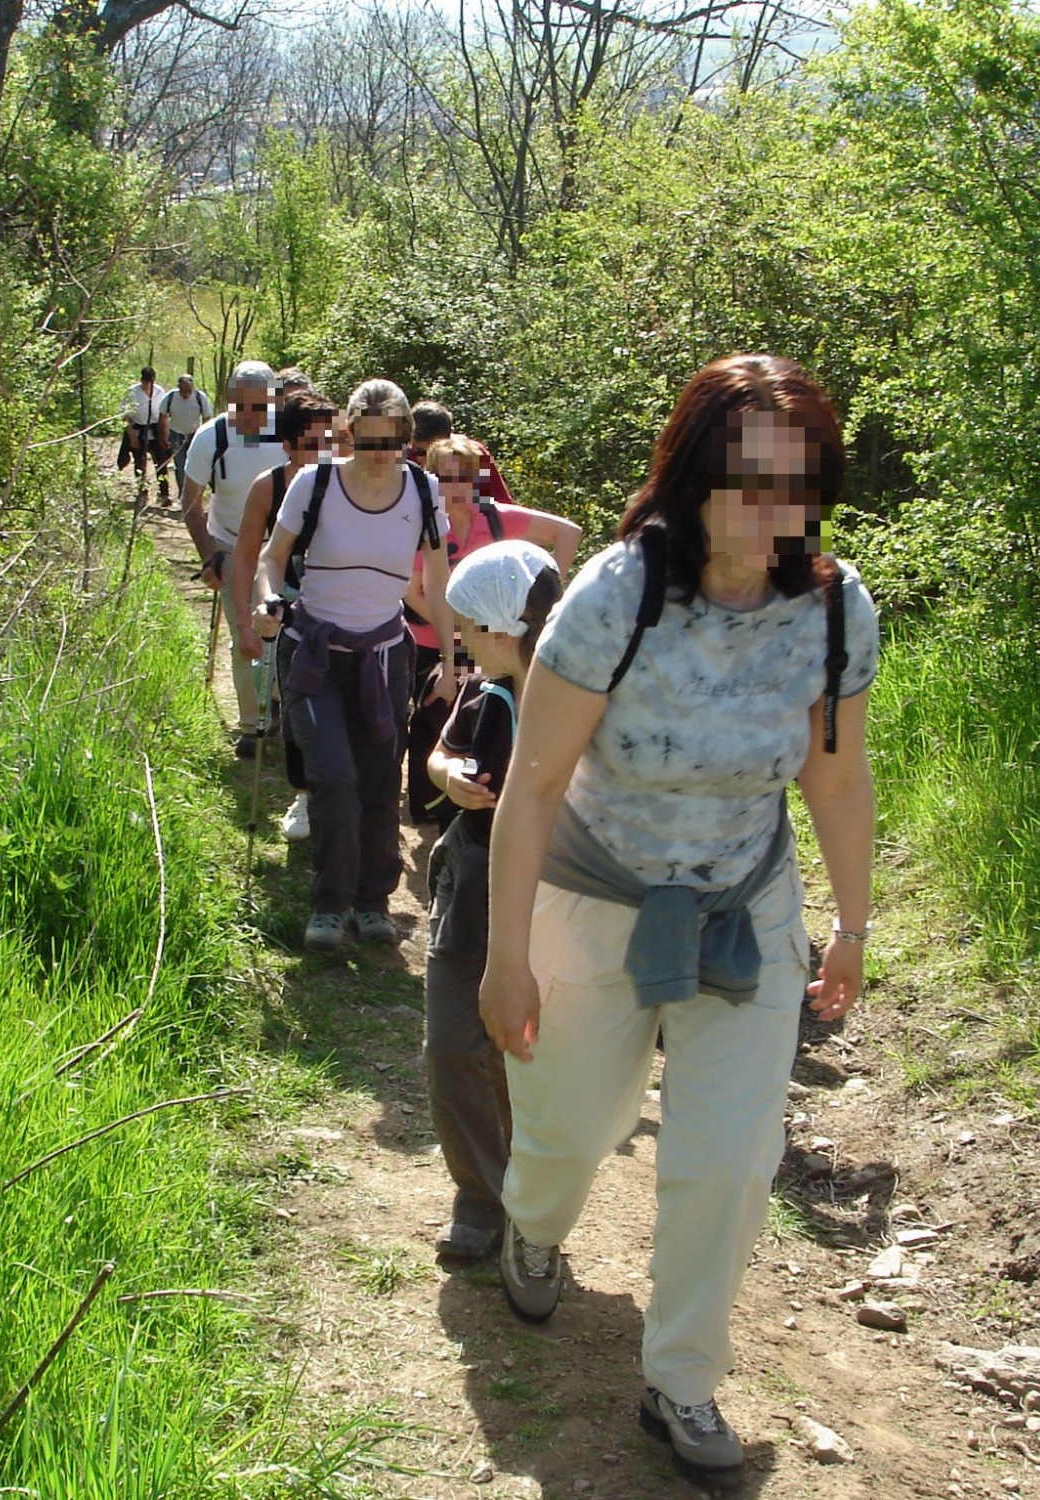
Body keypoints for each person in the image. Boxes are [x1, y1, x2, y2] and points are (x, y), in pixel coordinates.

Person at [478, 354, 879, 1490]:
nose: (772, 508)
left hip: (745, 903)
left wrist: (851, 928)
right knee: (576, 1128)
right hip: (595, 892)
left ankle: (682, 1378)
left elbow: (837, 779)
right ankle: (532, 1224)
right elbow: (534, 787)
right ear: (694, 476)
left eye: (797, 483)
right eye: (749, 480)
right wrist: (505, 958)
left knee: (730, 1160)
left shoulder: (833, 607)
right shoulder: (618, 595)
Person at [254, 379, 459, 952]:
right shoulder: (315, 484)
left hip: (385, 658)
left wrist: (451, 661)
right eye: (367, 443)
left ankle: (372, 903)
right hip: (314, 653)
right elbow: (272, 557)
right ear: (349, 435)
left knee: (378, 782)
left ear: (406, 439)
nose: (378, 456)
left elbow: (438, 581)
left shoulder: (422, 490)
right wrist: (266, 600)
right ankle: (329, 906)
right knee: (334, 778)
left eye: (390, 443)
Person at [421, 540, 563, 1262]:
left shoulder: (577, 703)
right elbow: (440, 754)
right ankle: (480, 1196)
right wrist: (448, 778)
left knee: (527, 1051)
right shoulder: (483, 693)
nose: (464, 642)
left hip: (553, 891)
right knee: (452, 1044)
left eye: (472, 627)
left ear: (504, 627)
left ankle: (531, 1200)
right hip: (471, 880)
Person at [404, 434, 582, 827]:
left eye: (463, 477)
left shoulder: (496, 517)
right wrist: (460, 630)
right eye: (445, 478)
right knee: (434, 717)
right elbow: (413, 590)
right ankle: (435, 809)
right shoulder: (423, 524)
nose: (454, 487)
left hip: (498, 640)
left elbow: (569, 532)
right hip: (434, 640)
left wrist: (541, 601)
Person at [229, 387, 337, 841]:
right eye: (313, 443)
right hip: (290, 609)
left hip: (342, 608)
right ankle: (306, 794)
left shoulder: (350, 485)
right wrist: (246, 622)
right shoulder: (269, 487)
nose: (324, 452)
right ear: (288, 445)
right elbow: (246, 557)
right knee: (296, 705)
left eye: (331, 440)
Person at [182, 360, 287, 756]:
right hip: (229, 544)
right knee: (247, 634)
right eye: (241, 405)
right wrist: (209, 558)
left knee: (285, 633)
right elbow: (190, 503)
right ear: (230, 399)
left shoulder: (290, 433)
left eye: (259, 406)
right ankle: (251, 726)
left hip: (281, 547)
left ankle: (277, 706)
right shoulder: (211, 437)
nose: (249, 415)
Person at [120, 366, 168, 503]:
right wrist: (132, 436)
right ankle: (142, 492)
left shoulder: (159, 392)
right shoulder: (132, 392)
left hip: (155, 430)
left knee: (161, 462)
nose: (148, 385)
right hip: (138, 431)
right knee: (139, 463)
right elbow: (125, 416)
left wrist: (164, 434)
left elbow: (164, 414)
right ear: (141, 380)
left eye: (150, 382)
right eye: (145, 382)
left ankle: (164, 494)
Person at [158, 371, 212, 489]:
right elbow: (162, 417)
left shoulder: (200, 397)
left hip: (195, 436)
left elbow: (207, 418)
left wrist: (206, 438)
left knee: (196, 465)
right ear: (179, 387)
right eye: (184, 390)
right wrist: (163, 437)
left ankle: (196, 492)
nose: (187, 393)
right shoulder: (170, 397)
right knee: (180, 466)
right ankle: (182, 492)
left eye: (189, 390)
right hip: (176, 435)